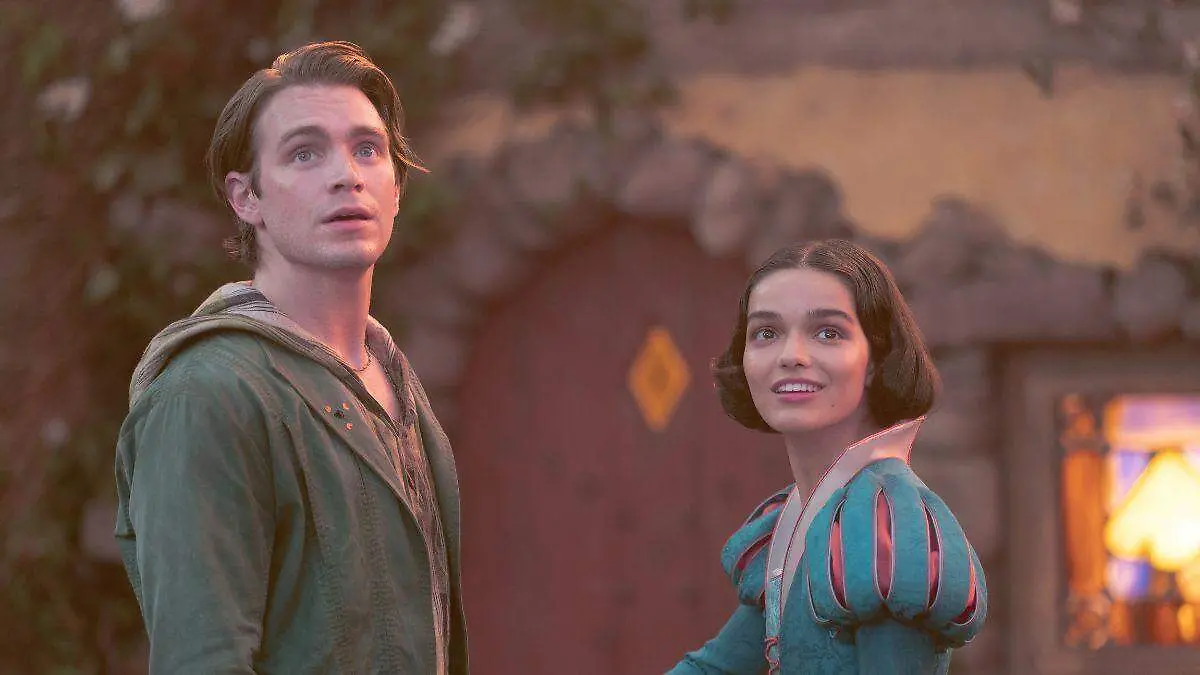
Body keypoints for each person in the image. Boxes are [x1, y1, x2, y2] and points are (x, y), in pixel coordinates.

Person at [113, 41, 468, 674]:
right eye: (305, 153)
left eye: (368, 149)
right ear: (245, 198)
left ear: (395, 188)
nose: (346, 175)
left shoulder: (390, 375)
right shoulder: (207, 394)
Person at [668, 240, 986, 674]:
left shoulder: (886, 523)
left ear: (875, 360)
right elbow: (716, 669)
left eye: (828, 333)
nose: (791, 356)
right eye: (766, 333)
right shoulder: (792, 518)